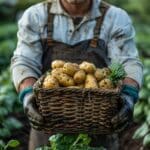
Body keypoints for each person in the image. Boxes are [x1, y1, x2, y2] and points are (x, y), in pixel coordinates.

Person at [11, 0, 143, 149]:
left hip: (100, 127)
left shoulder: (115, 17)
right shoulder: (35, 16)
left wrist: (128, 95)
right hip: (47, 124)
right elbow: (24, 61)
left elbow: (128, 62)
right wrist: (28, 94)